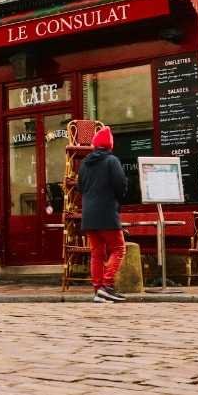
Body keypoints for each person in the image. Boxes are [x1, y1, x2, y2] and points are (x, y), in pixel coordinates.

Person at [79, 125, 128, 303]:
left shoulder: (84, 163)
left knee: (96, 253)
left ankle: (98, 289)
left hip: (88, 214)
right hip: (106, 212)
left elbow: (80, 187)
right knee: (119, 248)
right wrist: (119, 199)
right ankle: (106, 286)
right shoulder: (111, 161)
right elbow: (120, 185)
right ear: (110, 145)